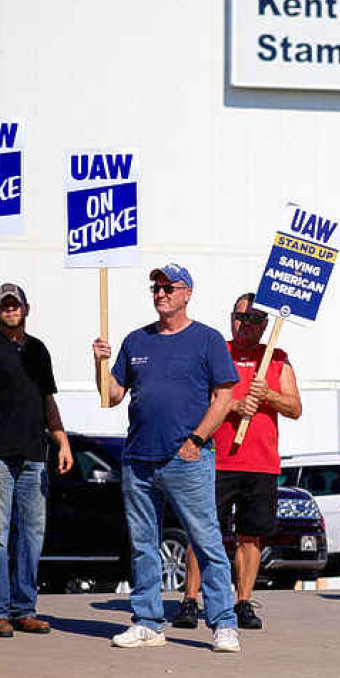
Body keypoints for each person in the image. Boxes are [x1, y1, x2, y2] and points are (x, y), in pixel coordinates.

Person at [92, 263, 242, 653]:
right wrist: (100, 363)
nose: (160, 293)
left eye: (168, 287)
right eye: (155, 287)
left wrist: (196, 439)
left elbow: (225, 397)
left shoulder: (207, 340)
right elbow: (110, 396)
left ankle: (224, 623)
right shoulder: (136, 341)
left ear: (187, 293)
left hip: (187, 459)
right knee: (143, 543)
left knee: (206, 541)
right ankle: (147, 622)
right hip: (139, 459)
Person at [173, 292, 302, 631]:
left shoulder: (276, 358)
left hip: (260, 463)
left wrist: (267, 394)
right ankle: (189, 599)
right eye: (241, 317)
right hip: (216, 460)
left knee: (251, 536)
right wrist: (234, 405)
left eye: (256, 319)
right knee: (202, 533)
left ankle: (242, 601)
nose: (247, 325)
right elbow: (196, 401)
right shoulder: (218, 352)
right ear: (232, 318)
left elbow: (295, 408)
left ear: (265, 325)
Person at [0, 283, 73, 638]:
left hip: (34, 454)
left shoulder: (38, 350)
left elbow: (47, 400)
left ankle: (24, 608)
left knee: (32, 535)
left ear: (26, 308)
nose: (10, 310)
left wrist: (62, 440)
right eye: (3, 306)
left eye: (15, 305)